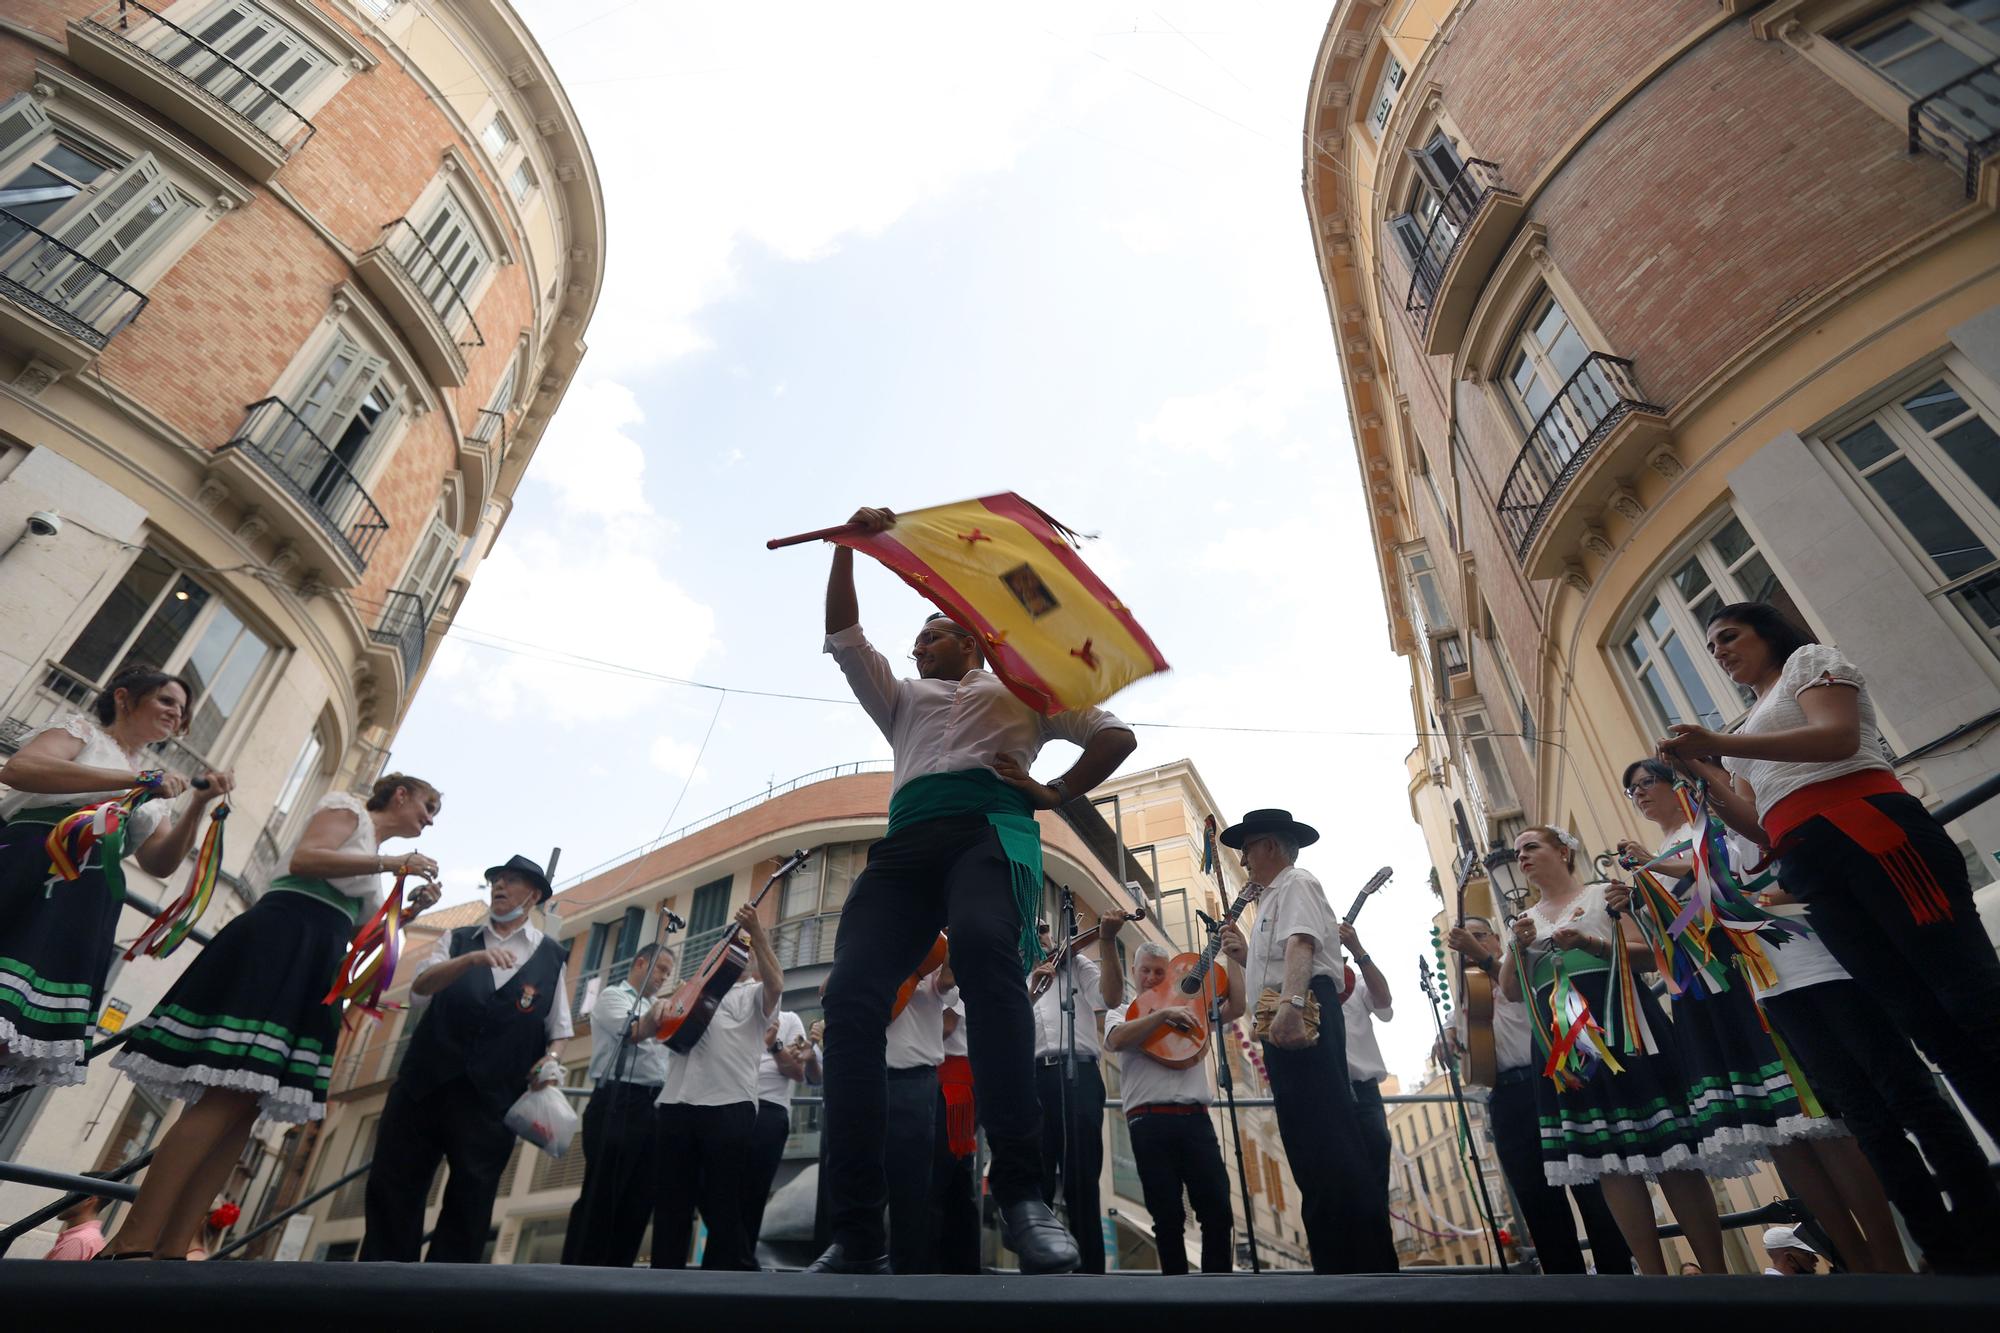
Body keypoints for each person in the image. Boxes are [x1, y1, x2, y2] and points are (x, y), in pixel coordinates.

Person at [808, 506, 1137, 1276]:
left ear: (971, 640)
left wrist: (1054, 790)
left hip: (988, 834)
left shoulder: (1024, 690)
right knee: (851, 998)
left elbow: (1115, 736)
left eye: (932, 634)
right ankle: (856, 1227)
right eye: (917, 638)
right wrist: (846, 548)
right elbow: (846, 637)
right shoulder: (901, 702)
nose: (918, 645)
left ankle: (1024, 1195)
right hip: (907, 846)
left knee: (989, 954)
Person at [1657, 603, 2000, 1187]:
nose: (1718, 652)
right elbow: (1760, 826)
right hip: (1809, 861)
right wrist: (1705, 776)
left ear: (1767, 632)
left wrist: (1717, 740)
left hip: (1869, 828)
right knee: (1925, 1023)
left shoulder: (1809, 663)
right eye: (1712, 646)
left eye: (1729, 636)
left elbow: (1838, 738)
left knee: (1969, 998)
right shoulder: (1742, 736)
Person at [104, 776, 443, 1261]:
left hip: (315, 956)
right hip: (283, 938)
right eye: (428, 806)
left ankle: (175, 1246)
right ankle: (131, 1240)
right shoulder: (347, 809)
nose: (429, 820)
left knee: (246, 1105)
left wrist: (405, 911)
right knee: (225, 1097)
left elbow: (358, 931)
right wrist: (392, 864)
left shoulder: (373, 857)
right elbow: (307, 859)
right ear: (401, 794)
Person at [1618, 757, 1911, 1273]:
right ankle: (1854, 1262)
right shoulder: (1657, 854)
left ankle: (1892, 1258)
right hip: (1700, 993)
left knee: (1821, 1120)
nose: (1640, 793)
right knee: (1780, 1135)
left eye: (1647, 782)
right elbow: (1667, 940)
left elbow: (1731, 886)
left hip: (1748, 973)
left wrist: (1655, 868)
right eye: (1631, 790)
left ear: (1675, 784)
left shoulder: (1704, 827)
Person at [1500, 825, 1730, 1276]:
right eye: (1517, 851)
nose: (1522, 856)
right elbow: (1510, 991)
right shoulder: (1524, 921)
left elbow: (1650, 955)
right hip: (1567, 1043)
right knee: (1610, 1163)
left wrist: (1590, 942)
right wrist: (1515, 948)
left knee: (1670, 1151)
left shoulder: (1605, 892)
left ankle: (1716, 1275)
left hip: (1622, 1021)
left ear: (1564, 851)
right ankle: (1653, 1279)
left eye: (1531, 846)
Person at [0, 665, 231, 1093]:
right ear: (123, 697)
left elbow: (160, 863)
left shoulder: (155, 788)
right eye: (166, 700)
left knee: (17, 1021)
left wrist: (198, 803)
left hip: (87, 900)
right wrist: (138, 780)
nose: (175, 715)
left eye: (182, 711)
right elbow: (20, 768)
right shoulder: (82, 732)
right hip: (33, 865)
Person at [361, 854, 570, 1262]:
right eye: (496, 880)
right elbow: (420, 989)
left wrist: (552, 1060)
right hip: (425, 1087)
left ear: (535, 896)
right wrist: (471, 960)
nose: (499, 887)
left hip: (492, 1100)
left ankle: (443, 1300)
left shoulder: (551, 956)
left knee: (472, 1201)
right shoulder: (456, 939)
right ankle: (379, 1288)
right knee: (395, 1187)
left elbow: (559, 1029)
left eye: (511, 881)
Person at [1223, 808, 1394, 1273]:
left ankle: (1357, 1268)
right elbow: (1279, 958)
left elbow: (1301, 944)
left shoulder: (1295, 882)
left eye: (1247, 848)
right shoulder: (1272, 897)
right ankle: (1343, 1263)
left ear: (1271, 847)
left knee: (1325, 1139)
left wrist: (1292, 1006)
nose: (1242, 860)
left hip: (1299, 1008)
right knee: (1310, 1143)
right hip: (1285, 1009)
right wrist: (1246, 958)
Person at [1447, 916, 1632, 1276]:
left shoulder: (1520, 964)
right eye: (1465, 940)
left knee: (1589, 1186)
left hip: (1547, 1081)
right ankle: (1567, 1291)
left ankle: (1618, 1282)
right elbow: (1461, 1027)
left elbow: (1528, 993)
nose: (1472, 944)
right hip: (1503, 1095)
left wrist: (1484, 959)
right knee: (1535, 1198)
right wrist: (1447, 1037)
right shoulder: (1466, 988)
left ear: (1497, 940)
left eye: (1479, 936)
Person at [651, 903, 781, 1271]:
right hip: (676, 1103)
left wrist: (758, 932)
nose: (736, 952)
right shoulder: (688, 991)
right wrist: (660, 1007)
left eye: (746, 948)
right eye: (731, 943)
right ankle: (660, 1291)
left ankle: (723, 1289)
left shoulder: (754, 994)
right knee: (670, 1206)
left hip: (729, 1105)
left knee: (723, 1204)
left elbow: (777, 984)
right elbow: (657, 1030)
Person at [1100, 937, 1242, 1274]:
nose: (1150, 977)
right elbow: (1116, 1039)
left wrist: (1234, 958)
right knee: (1166, 1216)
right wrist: (1163, 1014)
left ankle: (1218, 1293)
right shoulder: (1123, 1009)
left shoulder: (1193, 1005)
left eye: (1158, 972)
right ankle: (1177, 1299)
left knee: (1218, 1210)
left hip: (1195, 1118)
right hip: (1148, 1121)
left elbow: (1236, 1007)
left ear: (1169, 975)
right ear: (1134, 972)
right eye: (1145, 970)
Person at [564, 943, 674, 1267]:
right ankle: (579, 1274)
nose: (663, 978)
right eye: (660, 969)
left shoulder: (658, 1005)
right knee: (604, 1193)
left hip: (653, 1104)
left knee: (640, 1197)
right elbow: (634, 1032)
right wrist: (661, 1012)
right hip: (618, 1098)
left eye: (668, 972)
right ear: (641, 963)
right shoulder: (614, 996)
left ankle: (620, 1275)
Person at [1029, 916, 1113, 1274]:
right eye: (1031, 930)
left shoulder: (1077, 963)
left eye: (1044, 928)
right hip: (1033, 1078)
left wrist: (1107, 941)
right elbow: (1003, 1029)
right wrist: (1032, 988)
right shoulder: (1013, 971)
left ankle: (1091, 1279)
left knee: (1083, 1179)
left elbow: (1110, 997)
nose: (1040, 935)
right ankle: (1037, 1279)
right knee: (1036, 1181)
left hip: (1080, 1073)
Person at [883, 967, 951, 1272]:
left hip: (914, 1079)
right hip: (869, 1074)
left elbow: (949, 979)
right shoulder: (876, 951)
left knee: (910, 1186)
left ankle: (908, 1272)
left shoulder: (935, 961)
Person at [1338, 920, 1396, 1251]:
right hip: (1328, 1098)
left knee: (1376, 1181)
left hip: (1364, 1093)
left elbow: (1385, 1003)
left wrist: (1358, 950)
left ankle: (1383, 1266)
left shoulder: (1357, 984)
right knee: (1340, 1188)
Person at [743, 1003, 815, 1259]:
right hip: (729, 1104)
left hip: (768, 1109)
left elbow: (800, 1072)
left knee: (753, 1194)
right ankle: (735, 1257)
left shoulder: (789, 1019)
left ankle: (741, 1260)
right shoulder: (737, 1015)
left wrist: (775, 1045)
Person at [929, 989, 980, 1274]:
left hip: (954, 1084)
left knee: (940, 1175)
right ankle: (961, 1265)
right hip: (951, 1082)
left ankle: (938, 1263)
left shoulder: (955, 984)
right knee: (954, 1175)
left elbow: (947, 1027)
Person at [44, 1195, 106, 1261]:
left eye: (70, 1193)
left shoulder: (77, 1241)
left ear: (89, 1199)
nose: (63, 1199)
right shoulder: (92, 1238)